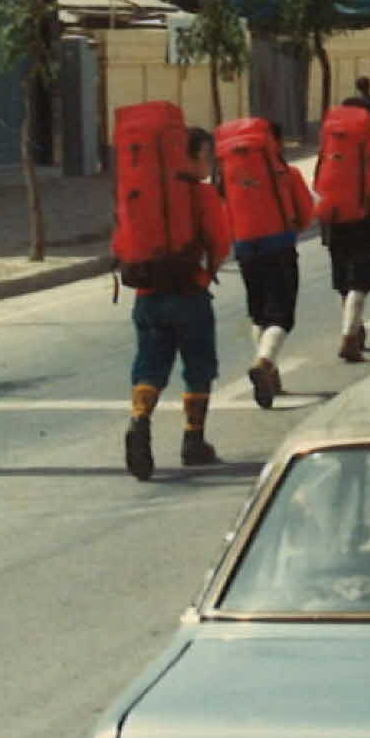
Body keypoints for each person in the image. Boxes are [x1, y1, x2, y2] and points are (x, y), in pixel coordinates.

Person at [124, 126, 233, 480]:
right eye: (206, 156)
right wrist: (206, 271)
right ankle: (193, 440)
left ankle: (140, 420)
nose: (209, 163)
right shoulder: (201, 195)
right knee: (199, 367)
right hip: (189, 296)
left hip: (147, 296)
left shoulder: (143, 192)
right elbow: (219, 241)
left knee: (150, 367)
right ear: (193, 156)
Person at [225, 120, 316, 409]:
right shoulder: (286, 174)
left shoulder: (228, 173)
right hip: (278, 246)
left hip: (244, 249)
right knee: (281, 315)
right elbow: (306, 214)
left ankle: (270, 370)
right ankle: (265, 362)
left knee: (259, 313)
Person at [314, 98, 370, 364]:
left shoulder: (329, 137)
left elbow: (319, 177)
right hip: (362, 216)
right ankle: (350, 333)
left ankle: (355, 327)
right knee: (360, 280)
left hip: (332, 216)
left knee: (343, 280)